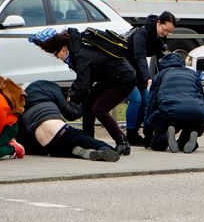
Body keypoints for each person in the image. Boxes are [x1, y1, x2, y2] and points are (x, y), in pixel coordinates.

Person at [29, 27, 136, 156]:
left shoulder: (80, 56)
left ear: (63, 48)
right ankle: (89, 140)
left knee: (99, 109)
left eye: (56, 54)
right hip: (111, 77)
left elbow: (84, 86)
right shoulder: (76, 50)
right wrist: (76, 95)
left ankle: (122, 142)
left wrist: (70, 103)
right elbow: (86, 80)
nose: (57, 58)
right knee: (88, 104)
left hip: (124, 78)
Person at [17, 80, 119, 162]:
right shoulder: (49, 87)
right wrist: (84, 106)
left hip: (47, 146)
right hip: (62, 132)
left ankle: (76, 152)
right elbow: (71, 114)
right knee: (104, 147)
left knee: (65, 147)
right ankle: (103, 150)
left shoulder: (19, 106)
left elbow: (22, 141)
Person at [124, 11, 176, 146]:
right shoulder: (142, 33)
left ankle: (136, 132)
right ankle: (130, 135)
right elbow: (140, 57)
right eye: (165, 30)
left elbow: (162, 59)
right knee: (136, 99)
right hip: (123, 68)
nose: (166, 34)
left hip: (137, 70)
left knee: (146, 101)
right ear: (158, 23)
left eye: (169, 32)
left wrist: (169, 75)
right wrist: (148, 77)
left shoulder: (159, 37)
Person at [145, 52, 204, 153]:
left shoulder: (161, 74)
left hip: (170, 111)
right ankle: (188, 138)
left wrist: (148, 133)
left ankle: (164, 137)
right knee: (192, 123)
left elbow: (151, 102)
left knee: (158, 141)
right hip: (196, 111)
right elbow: (201, 98)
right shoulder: (192, 73)